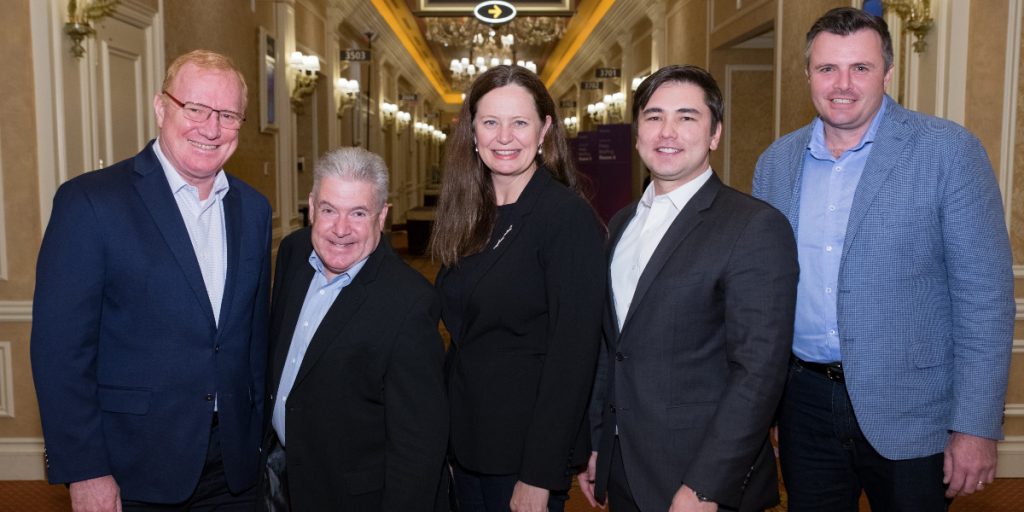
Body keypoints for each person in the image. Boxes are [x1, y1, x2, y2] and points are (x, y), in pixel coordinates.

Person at [752, 7, 1015, 511]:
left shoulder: (948, 152)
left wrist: (975, 426)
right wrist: (766, 407)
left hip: (915, 411)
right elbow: (764, 296)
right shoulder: (776, 164)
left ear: (889, 74)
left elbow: (985, 300)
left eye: (861, 68)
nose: (842, 84)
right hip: (804, 404)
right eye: (827, 68)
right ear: (808, 74)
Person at [31, 50, 272, 510]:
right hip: (133, 468)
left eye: (227, 114)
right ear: (162, 107)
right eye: (195, 108)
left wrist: (259, 445)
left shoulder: (254, 210)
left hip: (236, 470)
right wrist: (85, 470)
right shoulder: (90, 203)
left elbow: (252, 342)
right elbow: (60, 352)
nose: (210, 128)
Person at [579, 64, 799, 512]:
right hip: (625, 468)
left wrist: (705, 486)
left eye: (687, 117)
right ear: (637, 132)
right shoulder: (621, 224)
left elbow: (758, 374)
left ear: (715, 133)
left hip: (701, 482)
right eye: (654, 116)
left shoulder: (754, 227)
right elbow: (611, 345)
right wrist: (599, 442)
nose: (668, 131)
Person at [430, 65, 606, 512]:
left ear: (545, 128)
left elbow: (573, 357)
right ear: (472, 131)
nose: (503, 136)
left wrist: (538, 475)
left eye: (519, 122)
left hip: (523, 454)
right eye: (490, 122)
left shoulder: (567, 219)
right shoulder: (467, 212)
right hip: (465, 442)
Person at [259, 147, 448, 511]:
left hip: (350, 496)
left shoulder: (410, 303)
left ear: (382, 217)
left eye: (358, 213)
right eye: (329, 210)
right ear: (312, 206)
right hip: (277, 480)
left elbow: (419, 446)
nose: (340, 229)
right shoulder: (294, 253)